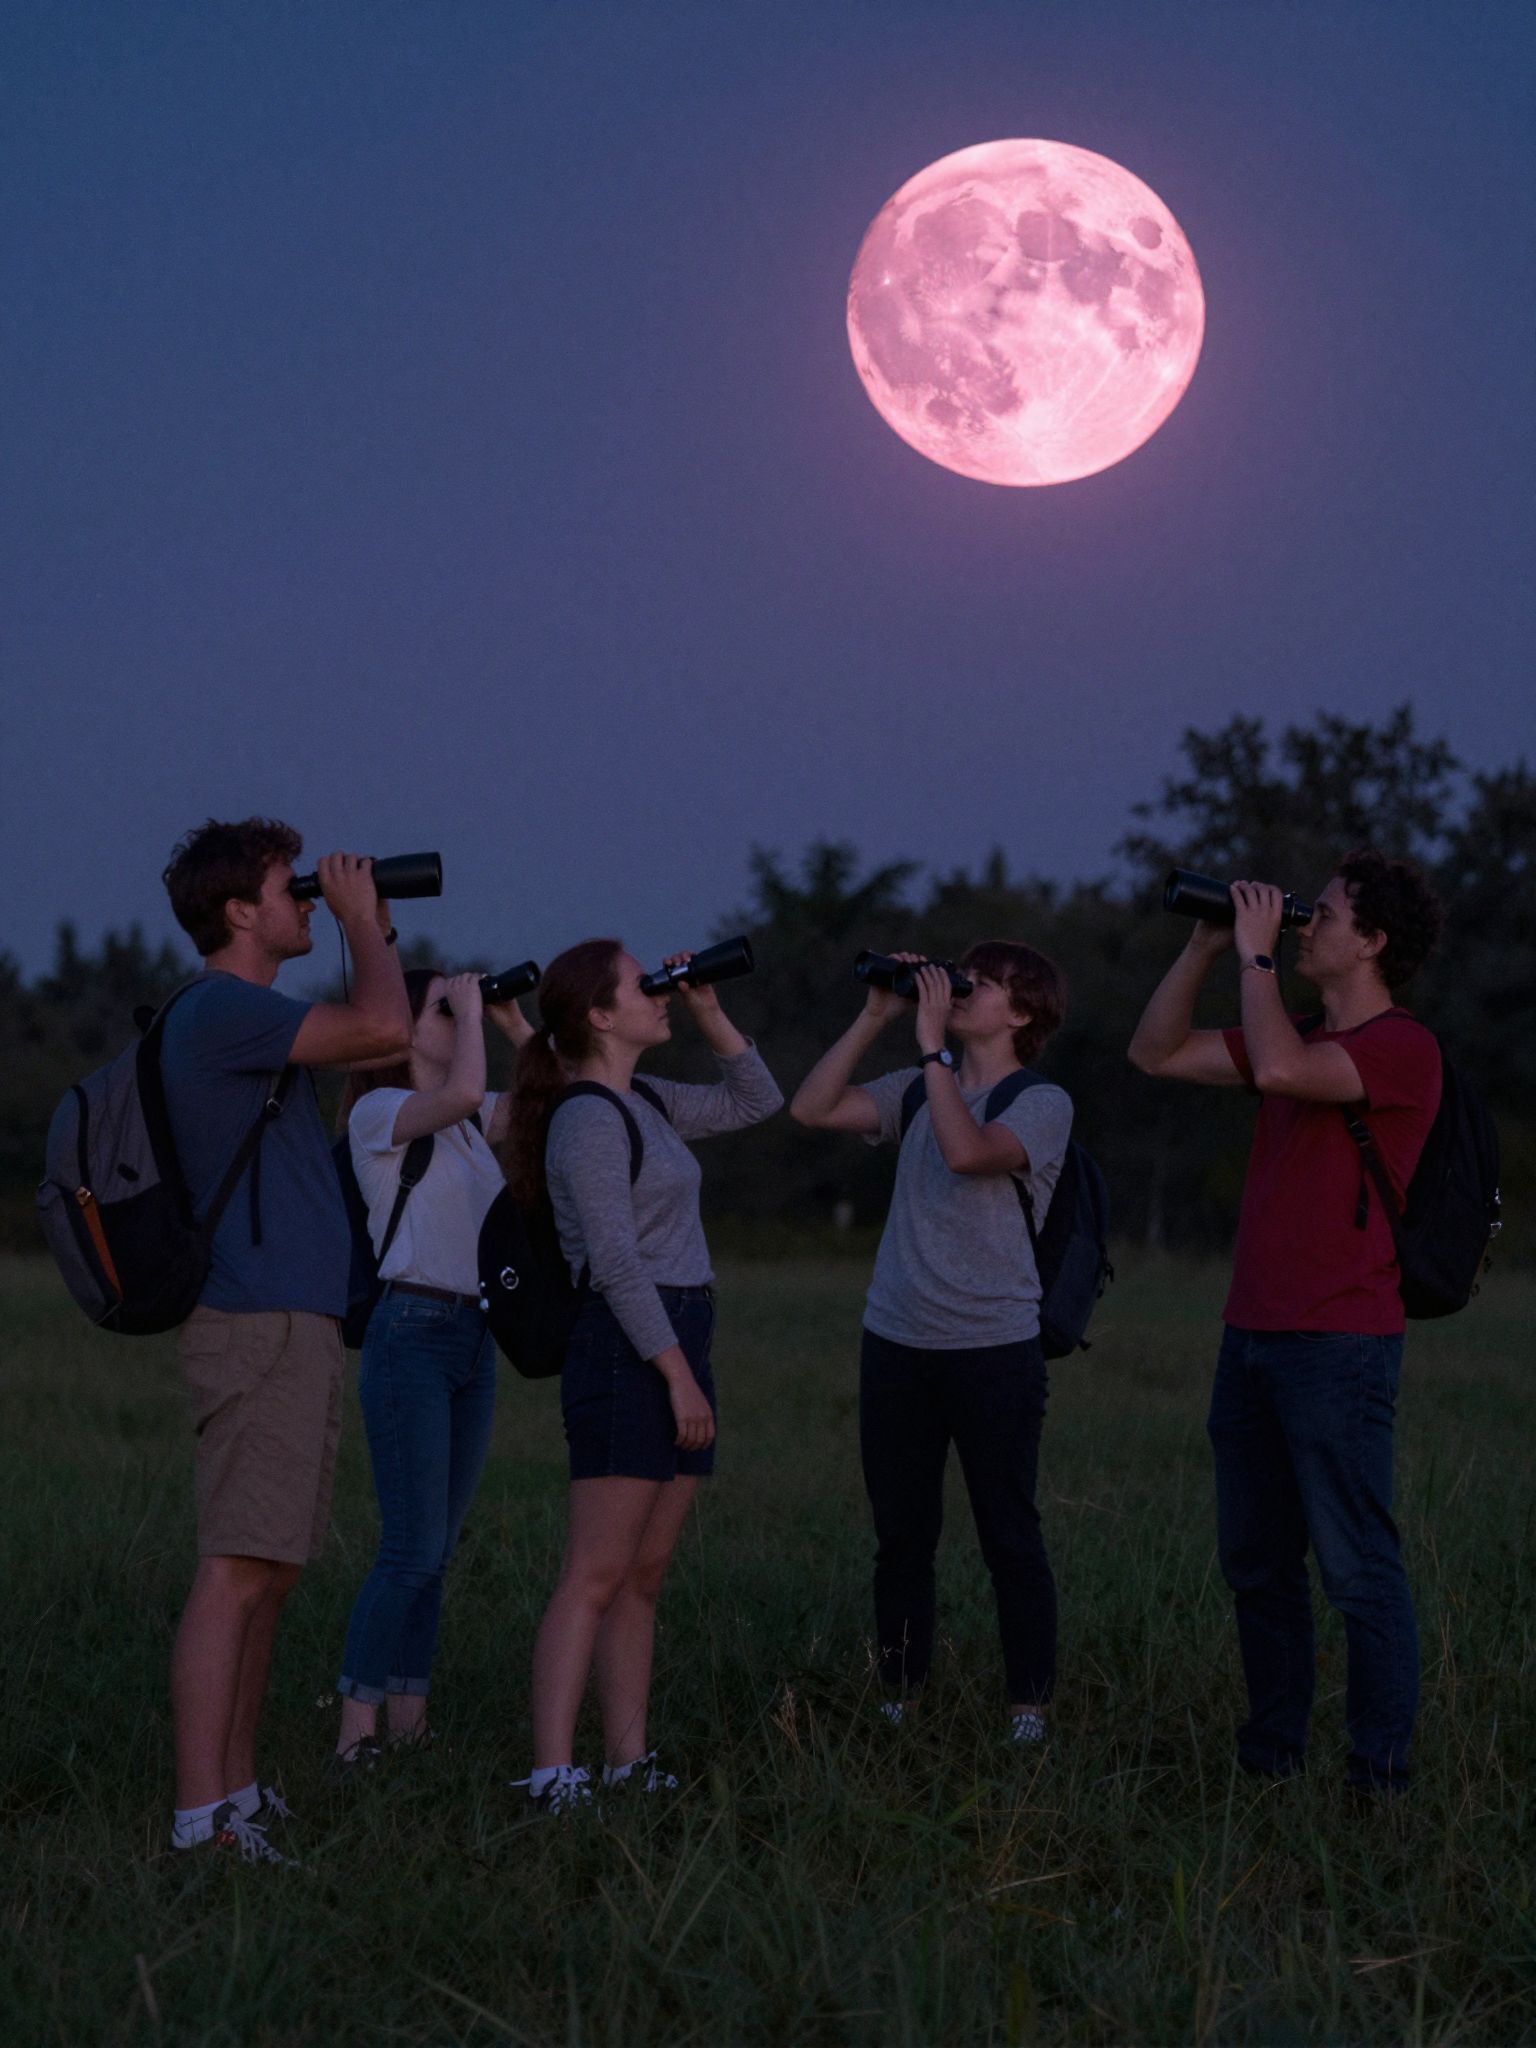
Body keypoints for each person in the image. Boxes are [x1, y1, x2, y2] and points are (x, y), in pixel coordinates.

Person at [1128, 848, 1445, 1797]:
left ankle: (1377, 1779)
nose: (1310, 923)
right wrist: (1205, 945)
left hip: (1339, 1343)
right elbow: (1153, 1053)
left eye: (1330, 914)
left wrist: (1258, 959)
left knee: (1357, 1569)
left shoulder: (1401, 1048)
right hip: (1252, 1336)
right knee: (1258, 1567)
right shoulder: (1295, 1024)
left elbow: (1280, 1068)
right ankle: (1270, 1761)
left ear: (1374, 942)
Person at [159, 819, 412, 1861]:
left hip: (292, 1320)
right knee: (233, 1572)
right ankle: (198, 1818)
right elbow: (386, 1026)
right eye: (289, 886)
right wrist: (364, 926)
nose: (307, 898)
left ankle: (240, 1790)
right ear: (238, 912)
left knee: (272, 1571)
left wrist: (362, 922)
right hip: (255, 1320)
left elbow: (384, 1042)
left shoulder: (251, 1015)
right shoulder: (221, 1008)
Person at [505, 940, 782, 1814]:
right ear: (597, 1015)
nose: (656, 996)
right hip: (631, 1346)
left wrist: (705, 1007)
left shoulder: (649, 1099)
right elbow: (616, 1265)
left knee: (644, 1574)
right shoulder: (588, 1119)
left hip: (678, 1332)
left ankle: (627, 1762)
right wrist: (677, 1377)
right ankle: (553, 1773)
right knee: (594, 1572)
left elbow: (757, 1099)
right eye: (644, 987)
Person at [791, 943, 1072, 1745]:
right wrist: (876, 1013)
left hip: (993, 1347)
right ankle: (899, 1694)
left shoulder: (1042, 1102)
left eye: (977, 986)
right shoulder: (918, 1088)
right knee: (902, 1535)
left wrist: (927, 1047)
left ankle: (1027, 1709)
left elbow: (970, 1153)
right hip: (897, 1342)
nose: (957, 990)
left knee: (1008, 1534)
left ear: (1020, 1014)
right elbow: (811, 1109)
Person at [333, 966, 534, 1770]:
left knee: (437, 1550)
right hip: (410, 1332)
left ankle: (411, 1725)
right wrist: (473, 1014)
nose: (456, 1022)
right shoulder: (381, 1113)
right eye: (441, 1013)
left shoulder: (466, 1123)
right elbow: (456, 1096)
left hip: (472, 1340)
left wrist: (516, 1026)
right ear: (402, 1031)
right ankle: (355, 1736)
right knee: (408, 1549)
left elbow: (550, 1111)